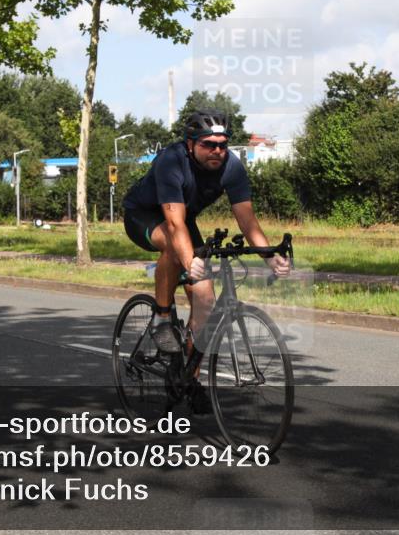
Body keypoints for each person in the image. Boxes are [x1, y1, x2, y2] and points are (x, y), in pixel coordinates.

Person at [122, 109, 291, 412]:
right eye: (208, 144)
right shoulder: (171, 160)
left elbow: (247, 221)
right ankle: (162, 317)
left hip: (183, 221)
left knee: (205, 299)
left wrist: (269, 257)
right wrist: (190, 261)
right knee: (174, 248)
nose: (217, 151)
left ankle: (189, 378)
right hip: (144, 215)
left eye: (222, 145)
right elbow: (174, 225)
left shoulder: (232, 167)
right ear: (190, 144)